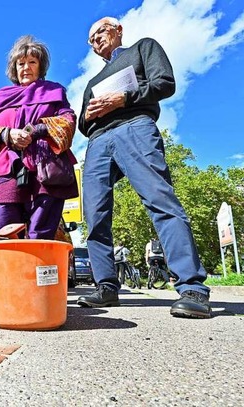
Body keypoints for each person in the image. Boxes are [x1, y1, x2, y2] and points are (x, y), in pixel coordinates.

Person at [76, 17, 211, 318]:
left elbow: (165, 83)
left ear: (118, 30)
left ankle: (192, 288)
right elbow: (83, 123)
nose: (95, 40)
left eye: (99, 32)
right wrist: (91, 112)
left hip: (135, 126)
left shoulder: (142, 48)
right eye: (90, 39)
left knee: (160, 200)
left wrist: (122, 98)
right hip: (98, 141)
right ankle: (106, 287)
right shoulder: (91, 83)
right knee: (94, 215)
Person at [0, 35, 78, 240]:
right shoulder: (0, 96)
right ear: (14, 68)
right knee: (2, 233)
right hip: (6, 171)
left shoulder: (54, 91)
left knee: (41, 235)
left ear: (41, 66)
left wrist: (38, 130)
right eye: (20, 63)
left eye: (32, 62)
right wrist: (7, 134)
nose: (26, 68)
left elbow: (67, 121)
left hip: (47, 171)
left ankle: (36, 272)